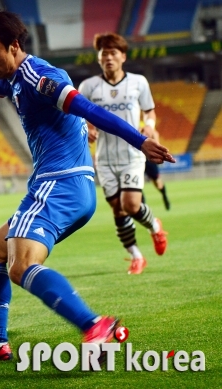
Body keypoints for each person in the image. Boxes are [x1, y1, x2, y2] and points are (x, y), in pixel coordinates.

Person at [0, 5, 174, 362]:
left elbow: (90, 111)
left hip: (59, 183)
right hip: (64, 186)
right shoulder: (12, 79)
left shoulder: (38, 78)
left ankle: (97, 326)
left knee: (20, 265)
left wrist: (141, 142)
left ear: (13, 44)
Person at [79, 33, 169, 276]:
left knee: (130, 205)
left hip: (132, 154)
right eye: (104, 53)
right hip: (105, 158)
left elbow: (150, 111)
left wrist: (149, 125)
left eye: (113, 53)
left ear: (123, 56)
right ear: (98, 58)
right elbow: (76, 116)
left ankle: (155, 226)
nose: (108, 57)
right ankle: (136, 256)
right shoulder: (88, 87)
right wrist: (86, 127)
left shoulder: (138, 82)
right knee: (117, 210)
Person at [143, 129, 170, 210]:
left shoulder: (151, 130)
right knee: (138, 183)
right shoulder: (135, 125)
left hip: (149, 160)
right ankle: (142, 206)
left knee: (157, 184)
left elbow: (156, 140)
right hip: (138, 159)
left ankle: (165, 197)